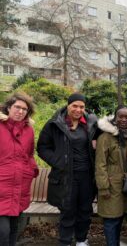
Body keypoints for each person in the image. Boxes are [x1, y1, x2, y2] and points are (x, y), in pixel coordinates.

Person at [37, 93, 98, 246]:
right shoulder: (55, 123)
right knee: (67, 210)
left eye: (82, 107)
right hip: (65, 176)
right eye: (75, 106)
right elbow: (43, 147)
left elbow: (103, 143)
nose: (78, 109)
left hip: (87, 176)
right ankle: (64, 241)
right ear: (68, 105)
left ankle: (81, 240)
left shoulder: (92, 123)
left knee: (85, 210)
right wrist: (58, 162)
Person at [0, 92, 38, 246]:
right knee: (3, 232)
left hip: (20, 187)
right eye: (17, 107)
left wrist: (31, 169)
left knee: (14, 230)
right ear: (9, 107)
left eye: (25, 109)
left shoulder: (29, 130)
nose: (20, 111)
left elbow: (29, 154)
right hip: (2, 186)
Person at [95, 106, 127, 246]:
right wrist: (103, 187)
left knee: (119, 217)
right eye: (121, 116)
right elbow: (100, 164)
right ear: (115, 118)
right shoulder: (105, 137)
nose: (124, 120)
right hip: (110, 185)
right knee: (111, 219)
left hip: (124, 185)